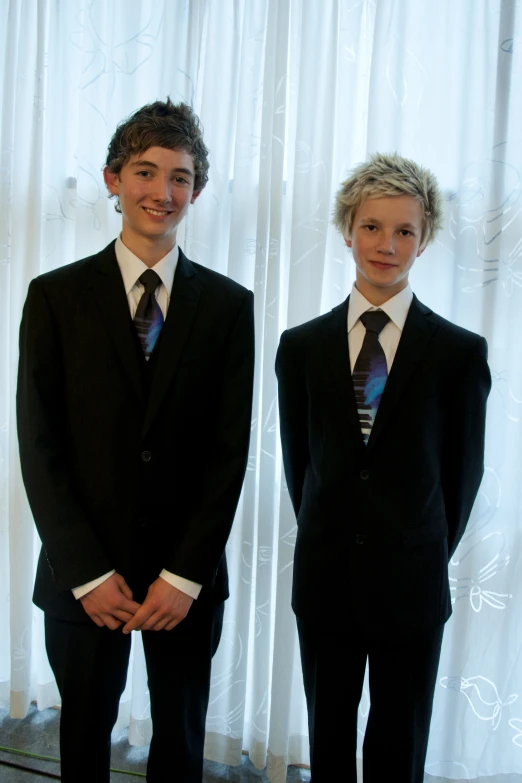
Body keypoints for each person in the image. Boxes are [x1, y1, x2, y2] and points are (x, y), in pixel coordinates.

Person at [17, 98, 254, 783]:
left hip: (186, 581)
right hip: (83, 577)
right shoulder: (54, 297)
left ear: (197, 192)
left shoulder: (228, 306)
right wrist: (86, 573)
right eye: (146, 172)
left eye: (180, 177)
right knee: (84, 742)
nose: (163, 191)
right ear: (112, 178)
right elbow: (40, 443)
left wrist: (185, 576)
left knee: (180, 746)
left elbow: (226, 451)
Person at [275, 153, 491, 782]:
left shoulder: (457, 352)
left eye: (404, 231)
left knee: (400, 746)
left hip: (412, 586)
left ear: (424, 242)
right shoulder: (303, 346)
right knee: (329, 741)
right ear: (348, 230)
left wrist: (416, 552)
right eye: (372, 227)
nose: (386, 245)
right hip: (325, 581)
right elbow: (300, 465)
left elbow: (461, 477)